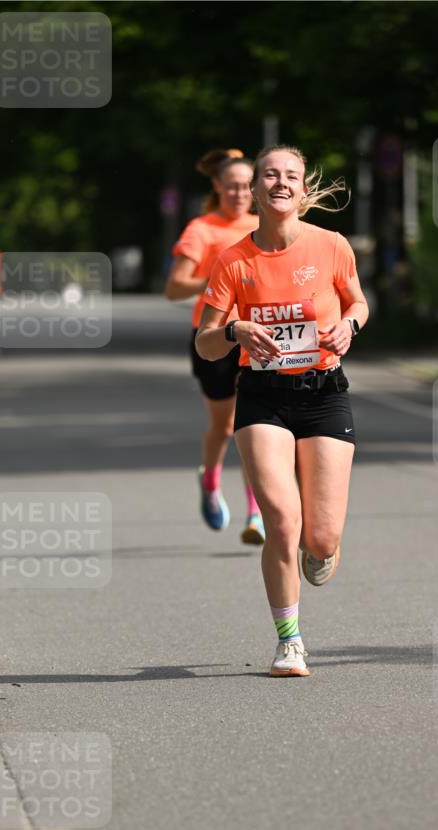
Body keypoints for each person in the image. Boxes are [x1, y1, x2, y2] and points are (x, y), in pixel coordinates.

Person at [196, 144, 369, 677]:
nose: (280, 183)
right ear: (255, 189)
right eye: (269, 175)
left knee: (320, 537)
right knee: (281, 521)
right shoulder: (234, 260)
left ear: (303, 187)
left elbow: (358, 302)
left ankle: (322, 548)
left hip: (324, 393)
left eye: (290, 175)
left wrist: (349, 326)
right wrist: (234, 329)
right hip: (263, 397)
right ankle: (290, 642)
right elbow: (204, 341)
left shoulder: (332, 245)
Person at [165, 149, 265, 545]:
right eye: (232, 186)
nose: (240, 194)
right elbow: (174, 288)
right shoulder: (202, 229)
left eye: (246, 186)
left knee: (256, 426)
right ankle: (209, 481)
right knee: (224, 427)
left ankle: (256, 513)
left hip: (258, 337)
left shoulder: (265, 225)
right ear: (217, 187)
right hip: (214, 338)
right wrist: (218, 280)